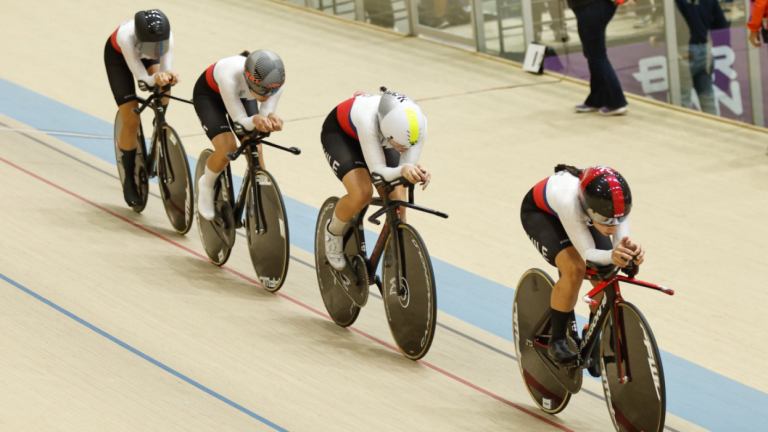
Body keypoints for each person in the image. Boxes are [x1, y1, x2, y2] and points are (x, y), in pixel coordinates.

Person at [520, 165, 644, 373]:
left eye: (618, 220)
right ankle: (557, 340)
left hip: (582, 216)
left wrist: (631, 256)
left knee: (605, 272)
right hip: (542, 213)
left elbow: (619, 247)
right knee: (574, 268)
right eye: (605, 220)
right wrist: (613, 255)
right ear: (589, 209)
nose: (612, 226)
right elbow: (587, 254)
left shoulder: (617, 207)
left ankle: (592, 334)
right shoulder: (570, 204)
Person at [321, 88, 431, 270]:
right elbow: (378, 173)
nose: (403, 149)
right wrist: (404, 169)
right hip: (342, 135)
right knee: (362, 194)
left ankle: (394, 256)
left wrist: (415, 171)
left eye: (407, 146)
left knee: (399, 201)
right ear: (386, 132)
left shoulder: (419, 125)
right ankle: (333, 232)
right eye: (400, 146)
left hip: (380, 140)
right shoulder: (368, 120)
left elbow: (405, 168)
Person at [193, 50, 285, 220]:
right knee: (227, 147)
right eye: (263, 92)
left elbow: (265, 111)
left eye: (270, 92)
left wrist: (271, 117)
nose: (267, 96)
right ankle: (206, 184)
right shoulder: (230, 76)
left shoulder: (275, 82)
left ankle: (259, 197)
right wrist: (257, 119)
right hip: (210, 97)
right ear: (251, 82)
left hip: (242, 95)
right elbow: (240, 121)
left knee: (255, 147)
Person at [104, 10, 178, 206]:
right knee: (132, 121)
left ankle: (158, 122)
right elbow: (143, 80)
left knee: (164, 85)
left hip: (144, 51)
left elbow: (166, 69)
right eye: (152, 46)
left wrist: (168, 76)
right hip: (120, 59)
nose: (156, 50)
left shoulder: (166, 37)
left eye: (159, 46)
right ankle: (129, 179)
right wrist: (155, 78)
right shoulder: (126, 37)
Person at [569, 0, 629, 116]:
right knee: (592, 53)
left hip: (592, 5)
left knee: (596, 55)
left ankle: (616, 102)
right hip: (589, 6)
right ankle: (597, 99)